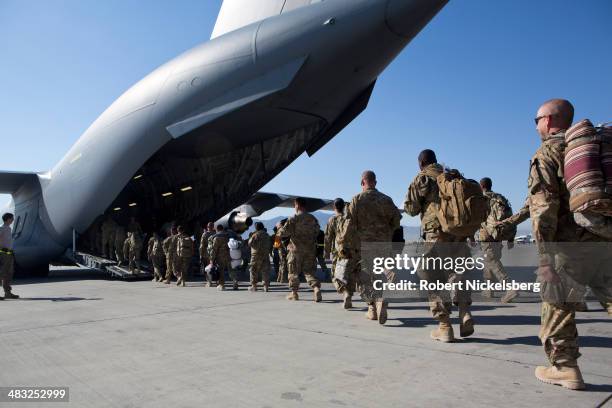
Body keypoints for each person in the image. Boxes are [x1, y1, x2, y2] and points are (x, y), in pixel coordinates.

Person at [527, 99, 612, 390]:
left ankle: (565, 368)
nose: (536, 125)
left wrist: (544, 260)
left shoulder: (548, 152)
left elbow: (543, 210)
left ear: (548, 121)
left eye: (535, 119)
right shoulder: (596, 148)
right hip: (605, 239)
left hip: (570, 249)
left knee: (557, 304)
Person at [404, 150, 474, 341]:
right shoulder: (453, 175)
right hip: (458, 233)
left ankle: (445, 327)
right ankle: (465, 311)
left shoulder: (422, 178)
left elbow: (411, 209)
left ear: (421, 163)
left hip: (436, 235)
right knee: (458, 272)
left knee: (434, 279)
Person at [346, 170, 401, 324]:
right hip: (383, 243)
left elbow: (348, 226)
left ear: (362, 183)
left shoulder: (356, 200)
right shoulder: (386, 199)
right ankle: (388, 277)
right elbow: (396, 221)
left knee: (365, 278)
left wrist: (346, 245)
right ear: (375, 182)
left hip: (364, 246)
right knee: (380, 272)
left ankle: (372, 306)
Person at [478, 177, 518, 302]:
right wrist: (511, 238)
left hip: (487, 235)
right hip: (498, 236)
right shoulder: (500, 198)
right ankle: (489, 289)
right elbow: (509, 218)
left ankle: (509, 288)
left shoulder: (481, 199)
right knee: (489, 260)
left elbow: (477, 218)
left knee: (492, 261)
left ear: (481, 186)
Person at [278, 197, 322, 302]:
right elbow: (317, 232)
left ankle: (294, 293)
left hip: (296, 250)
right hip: (310, 250)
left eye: (294, 205)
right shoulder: (312, 218)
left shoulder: (293, 218)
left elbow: (283, 233)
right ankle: (316, 288)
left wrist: (279, 227)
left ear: (297, 205)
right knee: (309, 272)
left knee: (293, 272)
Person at [209, 225, 234, 290]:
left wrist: (212, 259)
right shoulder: (228, 237)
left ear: (217, 229)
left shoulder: (216, 238)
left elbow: (214, 249)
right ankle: (235, 283)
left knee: (221, 271)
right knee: (231, 270)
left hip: (220, 257)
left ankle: (222, 285)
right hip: (228, 256)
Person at [248, 222, 271, 292]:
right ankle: (266, 286)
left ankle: (254, 286)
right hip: (265, 254)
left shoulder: (255, 235)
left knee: (253, 270)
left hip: (256, 255)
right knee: (265, 270)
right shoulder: (267, 235)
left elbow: (250, 243)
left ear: (256, 228)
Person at [0, 213, 19, 300]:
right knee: (1, 273)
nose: (13, 220)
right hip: (3, 253)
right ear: (8, 219)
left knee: (9, 273)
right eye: (12, 218)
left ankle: (8, 293)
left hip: (9, 254)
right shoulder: (2, 228)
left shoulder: (8, 228)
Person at [200, 222, 216, 287]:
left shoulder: (205, 234)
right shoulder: (216, 234)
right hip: (215, 253)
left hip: (207, 253)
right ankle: (217, 281)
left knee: (207, 267)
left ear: (207, 227)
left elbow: (202, 246)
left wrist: (201, 255)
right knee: (215, 267)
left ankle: (209, 282)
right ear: (213, 227)